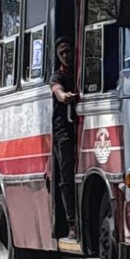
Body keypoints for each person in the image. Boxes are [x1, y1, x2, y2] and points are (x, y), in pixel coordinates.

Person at [50, 37, 78, 240]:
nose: (67, 55)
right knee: (67, 177)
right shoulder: (58, 76)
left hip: (82, 127)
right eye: (63, 53)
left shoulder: (81, 72)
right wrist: (65, 96)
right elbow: (57, 90)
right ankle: (72, 225)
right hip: (64, 131)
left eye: (69, 51)